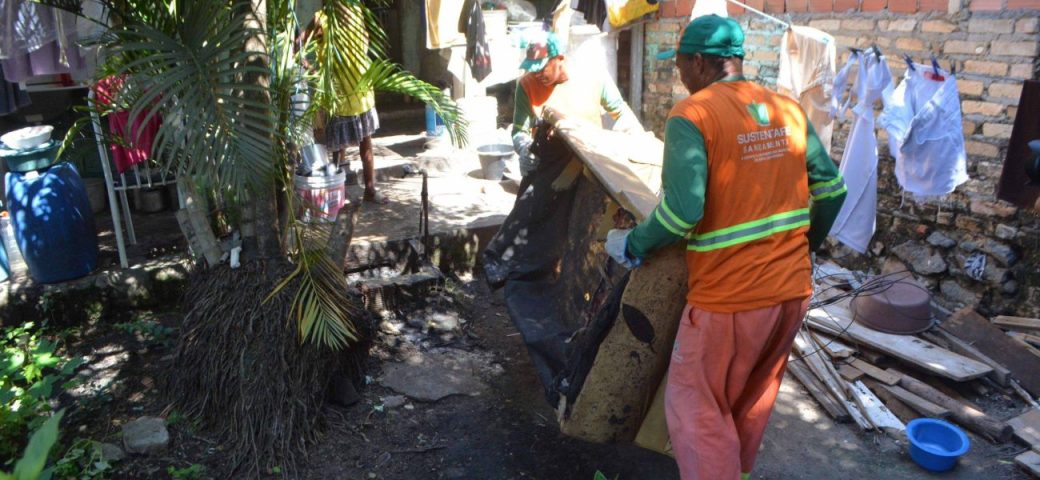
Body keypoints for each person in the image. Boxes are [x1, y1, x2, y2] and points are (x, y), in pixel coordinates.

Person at [605, 15, 847, 480]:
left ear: (699, 62)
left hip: (729, 298)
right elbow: (833, 190)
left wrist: (632, 243)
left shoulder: (692, 114)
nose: (678, 73)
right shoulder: (787, 109)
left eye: (679, 63)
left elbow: (682, 212)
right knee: (750, 401)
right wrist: (804, 248)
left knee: (696, 408)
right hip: (791, 293)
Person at [511, 31, 639, 178]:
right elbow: (519, 131)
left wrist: (635, 138)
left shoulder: (593, 75)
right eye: (532, 70)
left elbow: (621, 111)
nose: (537, 75)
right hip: (548, 163)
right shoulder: (526, 85)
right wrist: (524, 149)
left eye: (541, 68)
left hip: (590, 162)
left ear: (559, 59)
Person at [306, 6, 385, 204]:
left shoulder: (356, 10)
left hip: (361, 92)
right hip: (338, 96)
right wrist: (314, 72)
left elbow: (365, 39)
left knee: (366, 142)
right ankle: (338, 194)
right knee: (337, 149)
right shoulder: (321, 19)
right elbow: (297, 47)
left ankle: (370, 190)